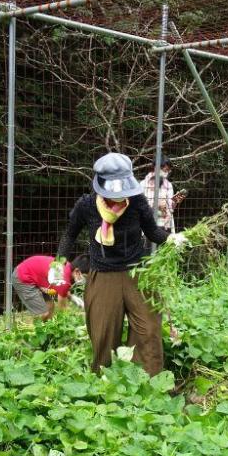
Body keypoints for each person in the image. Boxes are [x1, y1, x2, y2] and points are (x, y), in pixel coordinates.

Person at [52, 152, 186, 376]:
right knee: (103, 332)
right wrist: (59, 263)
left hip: (138, 272)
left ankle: (147, 382)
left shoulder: (136, 202)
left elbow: (152, 231)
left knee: (149, 330)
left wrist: (170, 238)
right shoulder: (86, 205)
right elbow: (69, 235)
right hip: (103, 274)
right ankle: (105, 384)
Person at [12, 254, 89, 321]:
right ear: (77, 271)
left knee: (50, 306)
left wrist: (72, 297)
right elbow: (62, 308)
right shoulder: (64, 278)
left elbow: (62, 291)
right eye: (85, 276)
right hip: (22, 276)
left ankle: (47, 332)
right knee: (43, 313)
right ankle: (36, 332)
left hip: (33, 273)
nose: (85, 280)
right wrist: (68, 323)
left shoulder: (67, 266)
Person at [141, 158, 186, 231]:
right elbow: (141, 207)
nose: (167, 173)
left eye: (168, 171)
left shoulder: (169, 185)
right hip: (148, 224)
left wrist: (175, 201)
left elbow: (170, 208)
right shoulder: (143, 184)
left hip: (165, 224)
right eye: (165, 170)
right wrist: (157, 204)